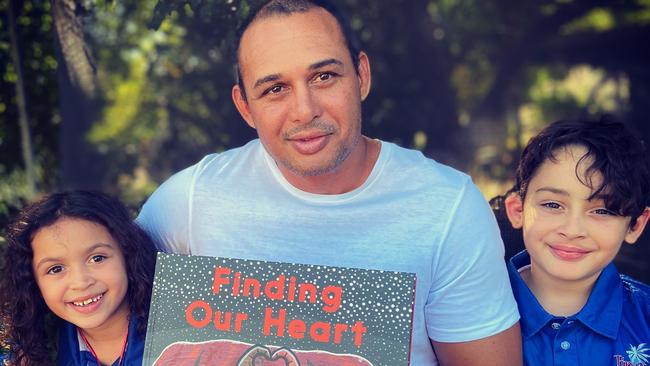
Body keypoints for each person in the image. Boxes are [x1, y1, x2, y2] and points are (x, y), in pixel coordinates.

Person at [137, 1, 522, 364]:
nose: (305, 111)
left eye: (324, 76)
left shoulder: (448, 208)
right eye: (275, 89)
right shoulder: (190, 201)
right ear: (244, 107)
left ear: (362, 77)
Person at [502, 119, 650, 365]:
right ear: (518, 210)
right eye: (552, 205)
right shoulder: (466, 308)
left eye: (603, 211)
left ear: (635, 225)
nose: (572, 230)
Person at [0, 191, 157, 365]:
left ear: (128, 255)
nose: (81, 282)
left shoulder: (182, 323)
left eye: (97, 258)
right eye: (56, 269)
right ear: (34, 283)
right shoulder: (30, 353)